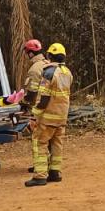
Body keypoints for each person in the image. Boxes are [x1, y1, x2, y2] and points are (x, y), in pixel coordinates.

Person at [25, 43, 72, 187]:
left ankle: (40, 176)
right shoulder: (67, 72)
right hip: (62, 116)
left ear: (50, 56)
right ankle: (55, 172)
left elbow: (44, 97)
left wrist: (35, 113)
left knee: (40, 143)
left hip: (48, 116)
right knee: (57, 144)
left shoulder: (49, 72)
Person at [22, 39, 51, 173]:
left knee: (37, 138)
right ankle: (50, 163)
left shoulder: (34, 69)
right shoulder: (48, 64)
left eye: (27, 53)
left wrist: (22, 102)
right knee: (49, 137)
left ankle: (39, 165)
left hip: (39, 107)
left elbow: (32, 93)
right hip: (52, 107)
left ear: (31, 53)